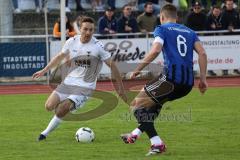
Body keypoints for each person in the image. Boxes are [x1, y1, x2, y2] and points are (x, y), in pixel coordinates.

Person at [120, 4, 208, 156]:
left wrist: (137, 70)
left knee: (135, 106)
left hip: (171, 79)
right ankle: (134, 134)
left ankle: (157, 143)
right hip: (187, 84)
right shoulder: (190, 32)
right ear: (177, 18)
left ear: (161, 17)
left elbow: (155, 50)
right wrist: (203, 79)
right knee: (153, 106)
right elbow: (203, 54)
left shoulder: (161, 29)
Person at [33, 16, 127, 141]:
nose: (88, 32)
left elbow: (113, 66)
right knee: (49, 106)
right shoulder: (71, 41)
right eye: (85, 29)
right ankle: (66, 108)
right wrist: (45, 70)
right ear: (80, 29)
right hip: (69, 81)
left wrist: (120, 87)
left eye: (91, 30)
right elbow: (60, 56)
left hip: (85, 87)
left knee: (61, 110)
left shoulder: (98, 46)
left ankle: (44, 133)